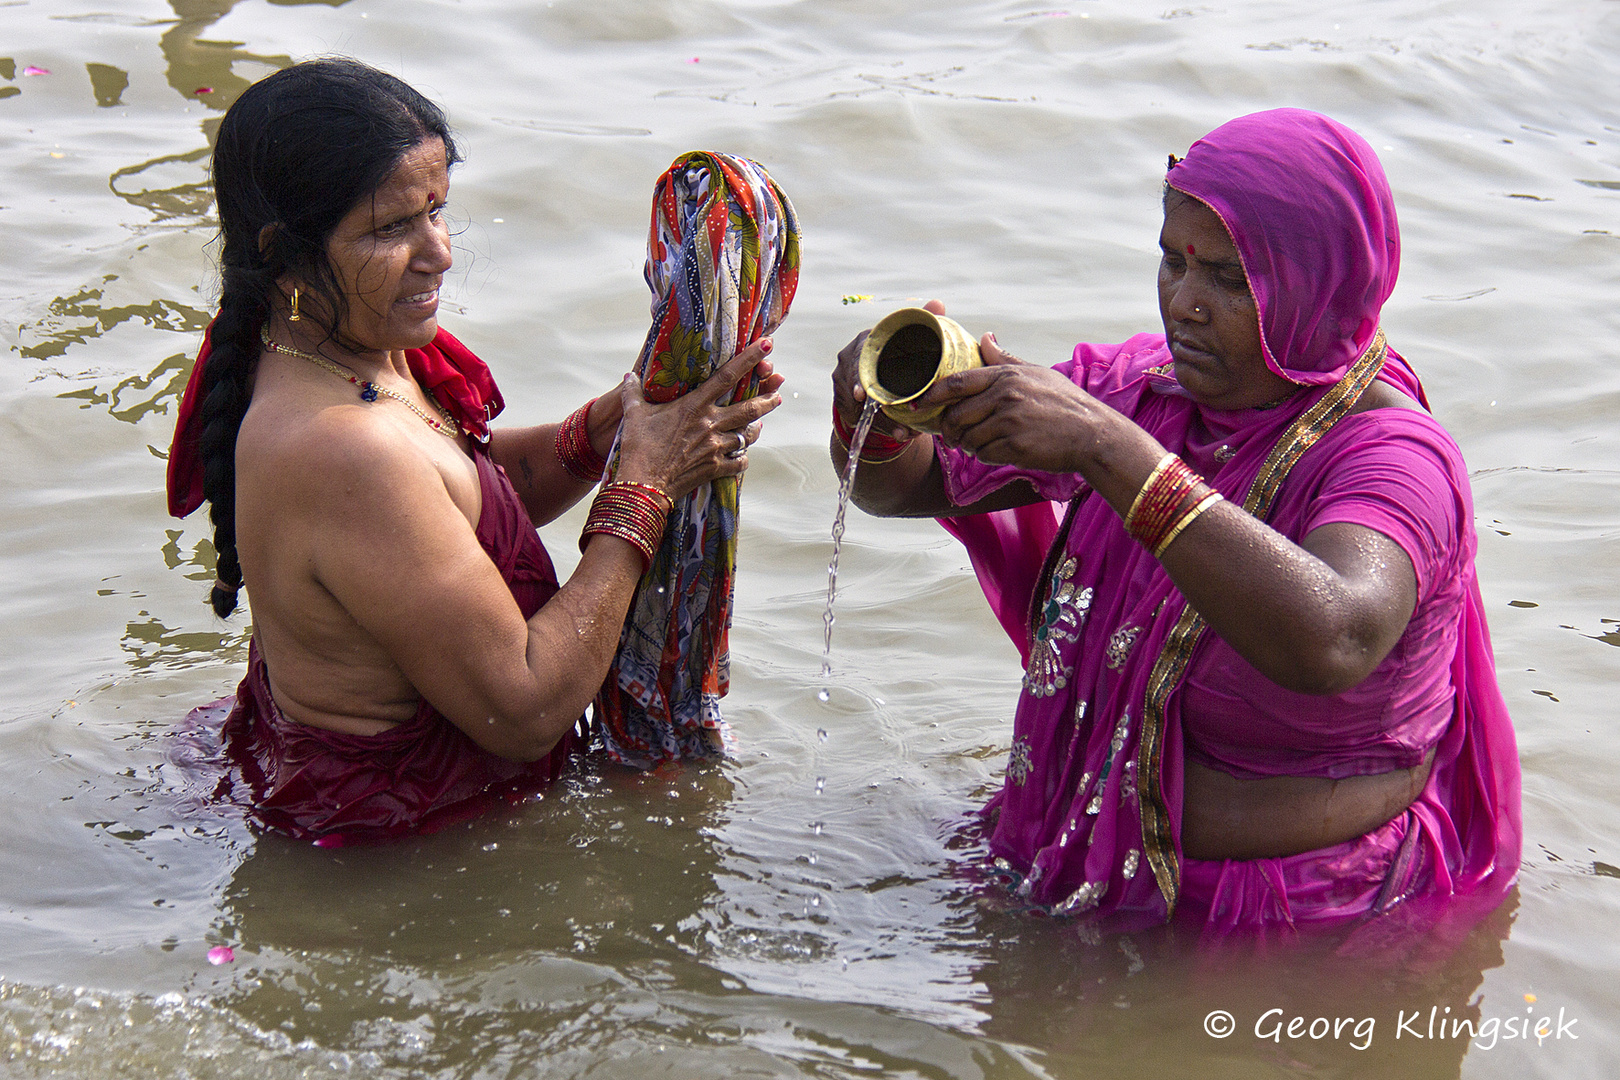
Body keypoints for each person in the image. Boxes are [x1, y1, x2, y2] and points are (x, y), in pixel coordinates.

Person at [830, 109, 1520, 934]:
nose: (1184, 304)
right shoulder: (1140, 390)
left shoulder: (1393, 455)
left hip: (1307, 923)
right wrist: (881, 421)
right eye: (1171, 261)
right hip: (1066, 860)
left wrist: (1105, 449)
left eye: (1229, 279)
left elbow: (1336, 634)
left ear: (1320, 281)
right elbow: (909, 487)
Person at [166, 59, 782, 843]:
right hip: (395, 852)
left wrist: (617, 425)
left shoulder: (338, 345)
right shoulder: (340, 451)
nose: (440, 252)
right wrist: (647, 487)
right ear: (282, 251)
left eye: (437, 211)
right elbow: (523, 709)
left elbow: (457, 501)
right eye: (391, 228)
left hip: (344, 785)